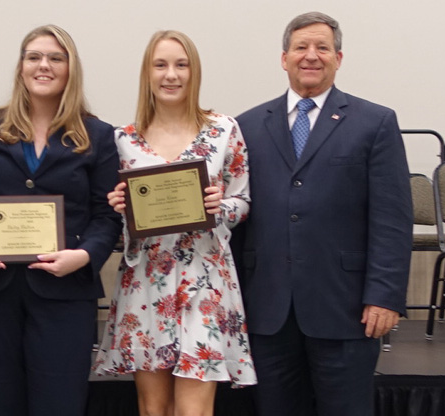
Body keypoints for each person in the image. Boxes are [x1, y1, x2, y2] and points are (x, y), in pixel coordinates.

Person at [234, 11, 413, 416]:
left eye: (322, 48)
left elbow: (391, 219)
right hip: (268, 311)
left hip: (346, 309)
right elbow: (238, 215)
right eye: (301, 47)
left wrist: (384, 297)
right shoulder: (247, 126)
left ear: (339, 58)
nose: (311, 56)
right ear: (284, 58)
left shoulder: (375, 123)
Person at [0, 25, 121, 416]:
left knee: (61, 404)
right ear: (21, 67)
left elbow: (106, 215)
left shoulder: (98, 135)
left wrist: (84, 256)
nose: (44, 65)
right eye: (34, 57)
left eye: (55, 58)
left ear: (71, 69)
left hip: (65, 293)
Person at [93, 30, 257, 416]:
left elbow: (243, 201)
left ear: (194, 72)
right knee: (154, 408)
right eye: (161, 65)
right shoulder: (123, 140)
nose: (171, 74)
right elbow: (115, 222)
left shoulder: (223, 130)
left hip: (205, 280)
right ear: (147, 73)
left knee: (193, 410)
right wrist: (118, 207)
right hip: (146, 281)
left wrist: (221, 207)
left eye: (181, 65)